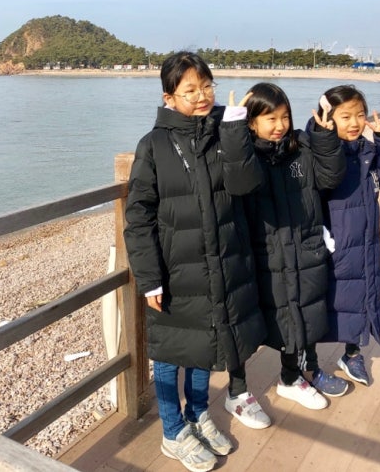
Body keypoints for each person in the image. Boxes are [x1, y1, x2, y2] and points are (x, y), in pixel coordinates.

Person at [124, 52, 269, 472]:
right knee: (170, 353)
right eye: (190, 91)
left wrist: (236, 130)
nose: (202, 96)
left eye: (206, 86)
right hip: (175, 271)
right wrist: (149, 278)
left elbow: (245, 184)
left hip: (222, 263)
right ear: (169, 98)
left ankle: (198, 414)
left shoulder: (226, 131)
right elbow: (138, 216)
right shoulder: (153, 145)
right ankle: (173, 431)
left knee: (207, 344)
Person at [231, 82, 348, 414]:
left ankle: (291, 377)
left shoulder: (301, 149)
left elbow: (329, 178)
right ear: (251, 122)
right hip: (262, 254)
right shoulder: (246, 156)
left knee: (298, 315)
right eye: (270, 118)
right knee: (246, 323)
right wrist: (233, 133)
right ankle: (237, 390)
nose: (280, 125)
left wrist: (324, 138)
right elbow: (238, 181)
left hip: (301, 249)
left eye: (284, 116)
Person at [316, 84, 380, 386]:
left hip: (364, 242)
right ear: (328, 119)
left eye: (360, 115)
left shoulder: (365, 151)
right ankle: (308, 361)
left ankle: (352, 353)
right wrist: (322, 137)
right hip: (330, 243)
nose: (355, 123)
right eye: (345, 116)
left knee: (360, 296)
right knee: (321, 300)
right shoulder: (319, 152)